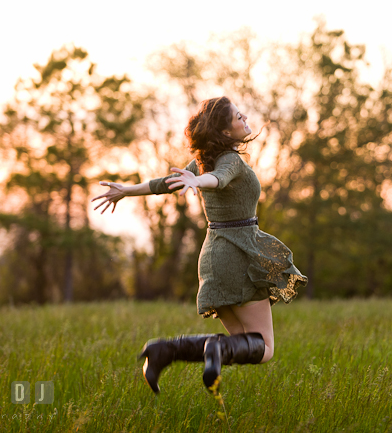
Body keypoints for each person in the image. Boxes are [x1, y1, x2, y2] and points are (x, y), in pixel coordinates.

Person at [92, 96, 307, 395]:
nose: (244, 118)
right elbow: (218, 179)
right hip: (238, 256)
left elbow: (164, 183)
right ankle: (208, 353)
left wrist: (127, 191)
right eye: (237, 117)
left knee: (240, 343)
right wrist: (200, 181)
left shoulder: (202, 164)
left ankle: (164, 350)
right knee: (265, 347)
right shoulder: (228, 161)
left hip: (213, 260)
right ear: (226, 133)